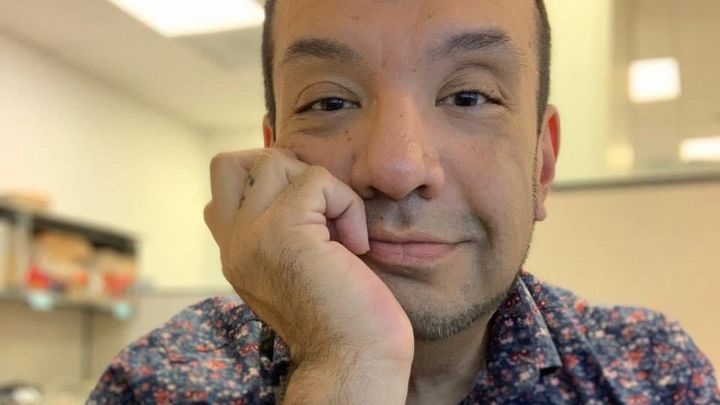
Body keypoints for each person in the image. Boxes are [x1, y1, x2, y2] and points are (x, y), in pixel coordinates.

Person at [88, 0, 719, 403]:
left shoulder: (652, 376)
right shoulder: (160, 383)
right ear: (271, 160)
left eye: (469, 97)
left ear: (543, 163)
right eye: (330, 102)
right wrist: (345, 365)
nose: (397, 169)